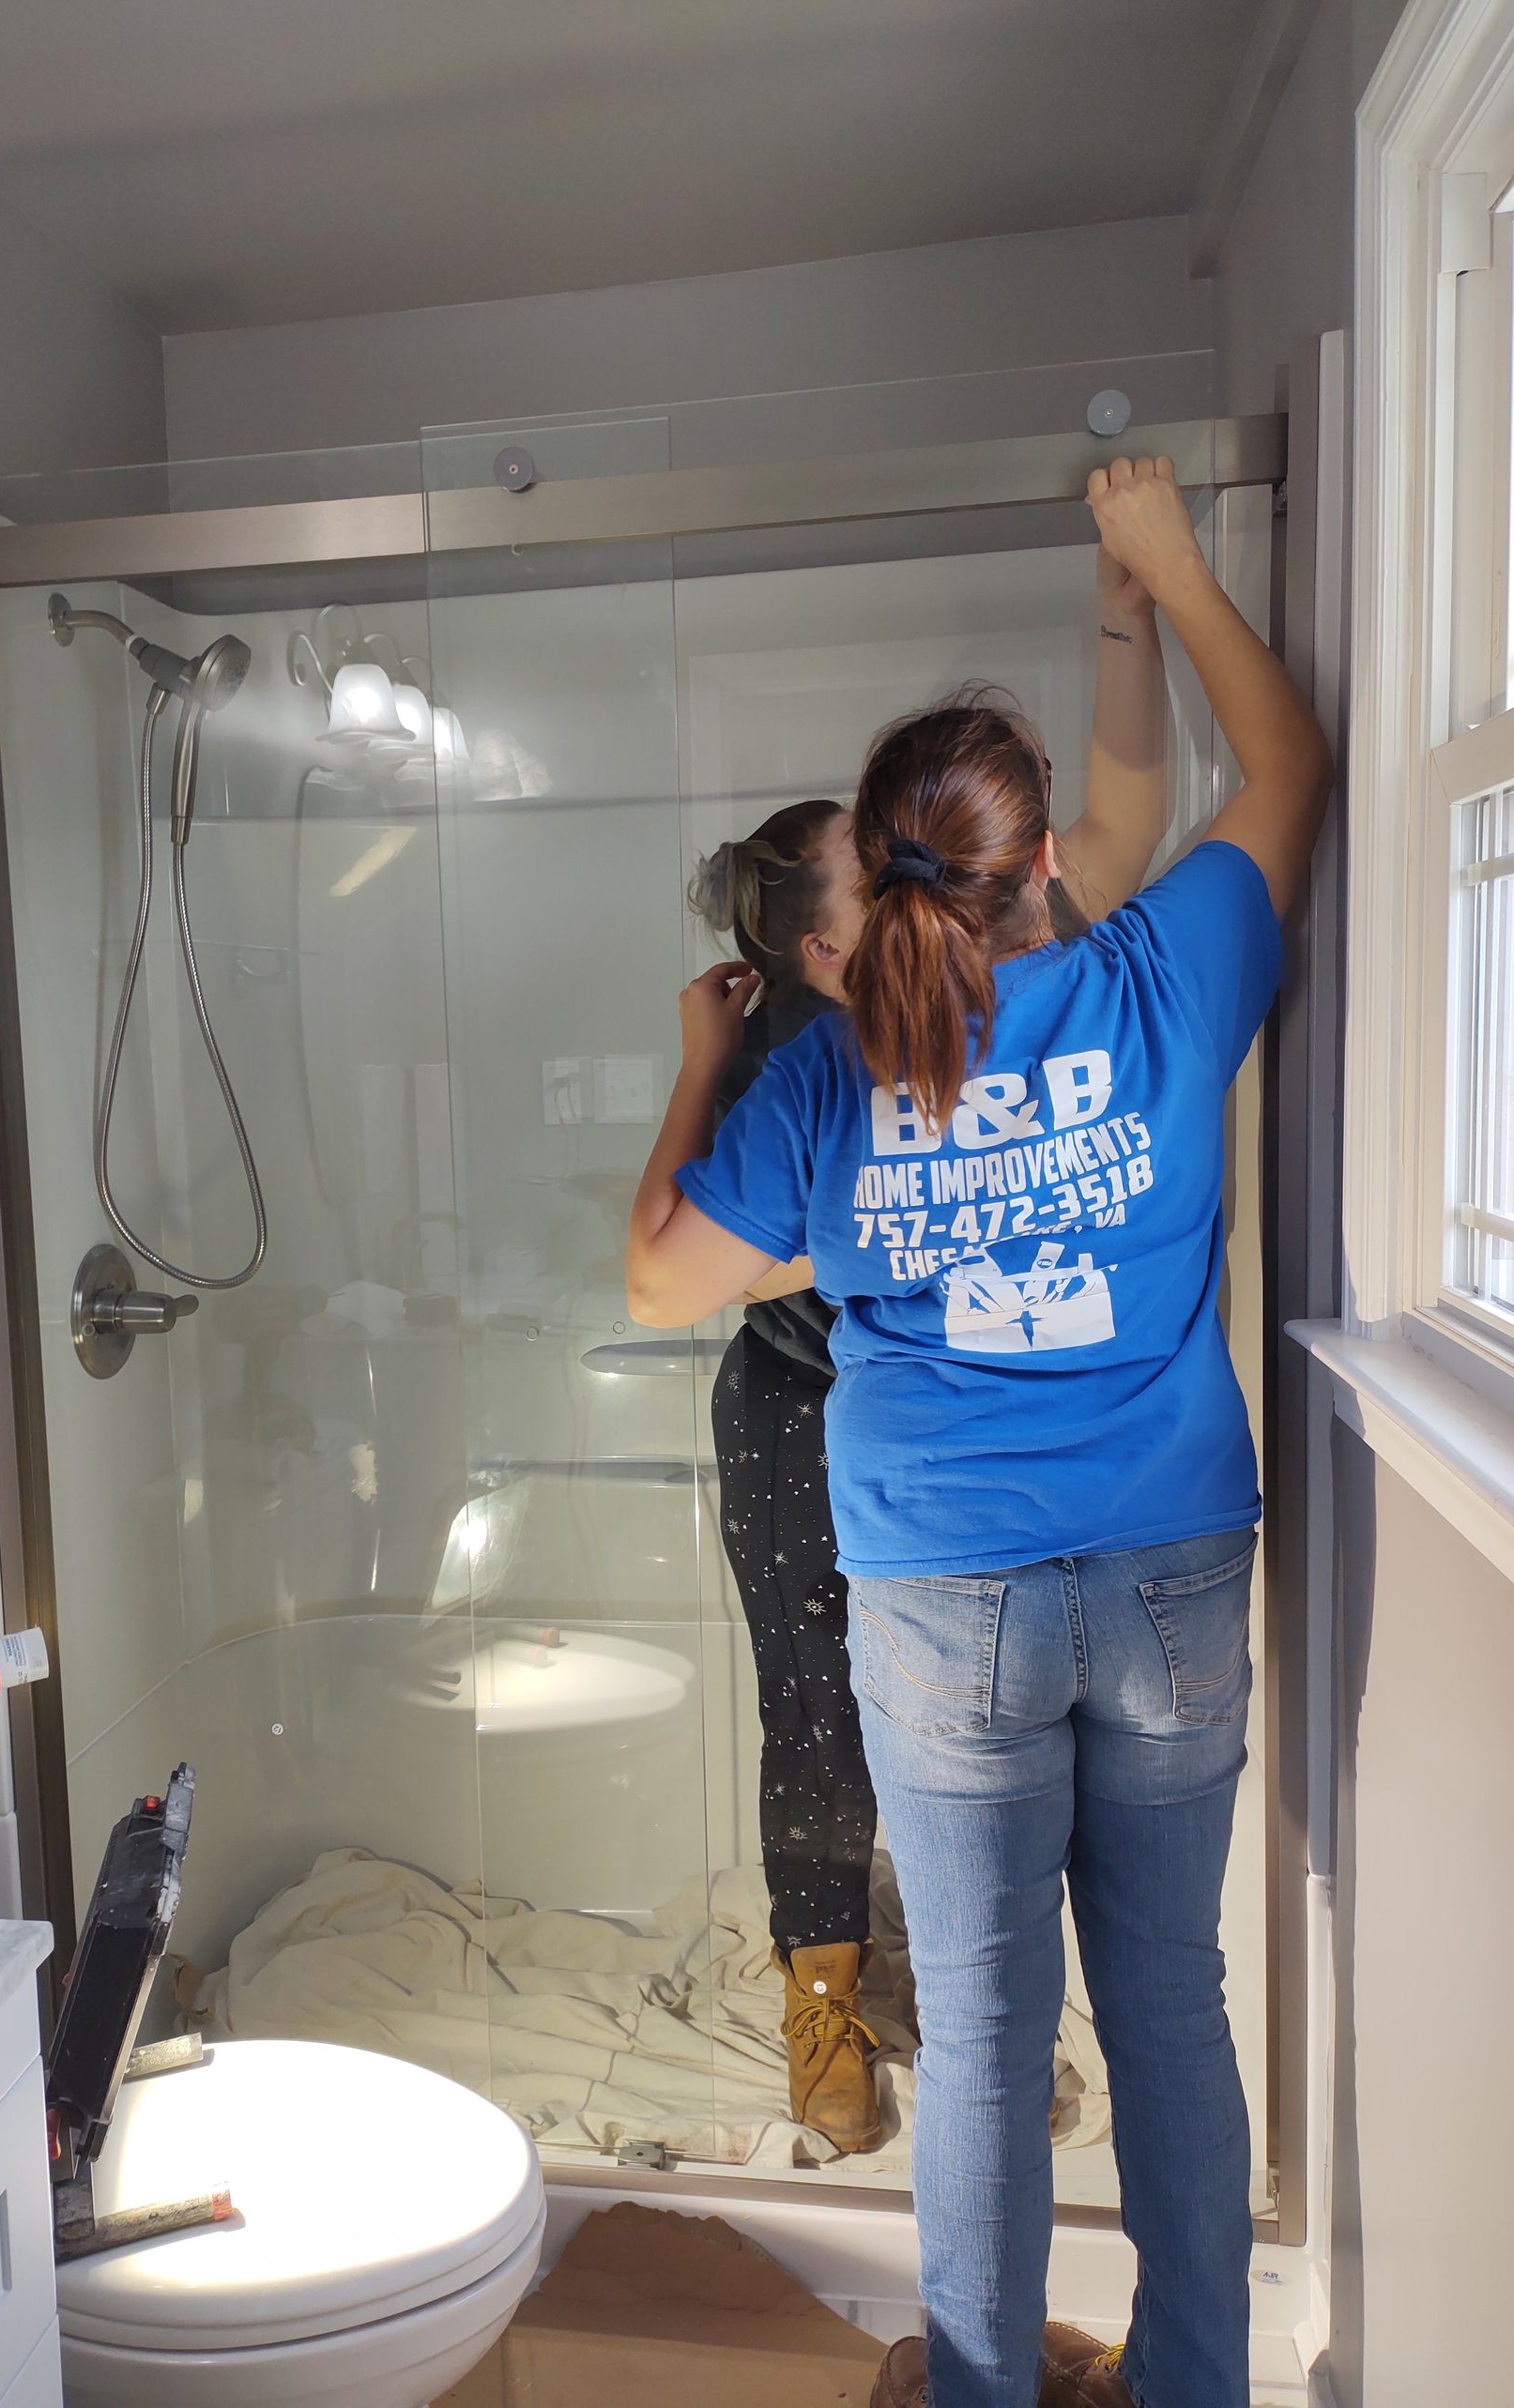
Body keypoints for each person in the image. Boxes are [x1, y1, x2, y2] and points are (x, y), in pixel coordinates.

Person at [628, 458, 1331, 2408]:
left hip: (945, 1592)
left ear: (879, 878)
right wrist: (1170, 580)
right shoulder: (1163, 970)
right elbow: (1283, 765)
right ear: (1044, 871)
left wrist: (701, 1055)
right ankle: (1198, 2383)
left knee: (999, 2031)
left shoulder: (827, 1078)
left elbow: (660, 1277)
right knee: (1172, 2002)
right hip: (1172, 1562)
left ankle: (984, 2388)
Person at [683, 543, 1172, 2157]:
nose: (906, 893)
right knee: (815, 1711)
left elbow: (1103, 840)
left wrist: (1129, 610)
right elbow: (665, 1255)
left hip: (930, 1436)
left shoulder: (954, 997)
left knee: (954, 1718)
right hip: (784, 1412)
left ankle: (961, 2001)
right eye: (867, 883)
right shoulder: (800, 1069)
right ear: (827, 954)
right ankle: (823, 1994)